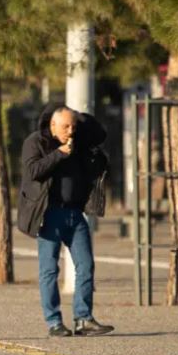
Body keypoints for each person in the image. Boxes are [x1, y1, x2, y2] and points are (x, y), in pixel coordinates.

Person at [17, 104, 113, 338]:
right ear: (52, 125)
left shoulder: (78, 139)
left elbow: (100, 134)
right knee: (49, 269)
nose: (70, 131)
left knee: (86, 265)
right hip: (48, 214)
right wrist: (59, 154)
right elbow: (33, 171)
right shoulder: (36, 142)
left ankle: (83, 318)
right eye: (65, 126)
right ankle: (54, 321)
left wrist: (78, 117)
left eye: (73, 125)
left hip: (74, 213)